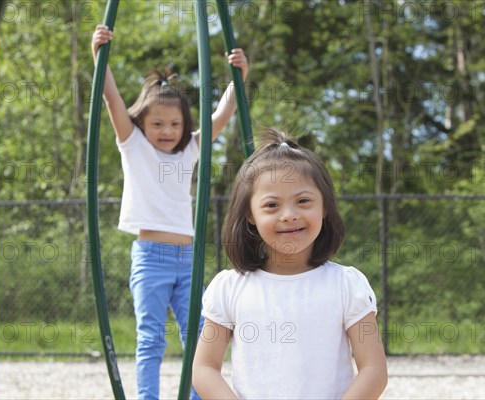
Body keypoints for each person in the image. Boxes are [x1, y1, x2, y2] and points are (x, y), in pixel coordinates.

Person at [91, 24, 249, 400]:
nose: (166, 130)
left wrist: (239, 76)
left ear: (185, 126)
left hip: (188, 257)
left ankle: (197, 395)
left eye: (175, 124)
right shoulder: (134, 146)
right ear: (141, 123)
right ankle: (147, 398)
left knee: (197, 335)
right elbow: (111, 99)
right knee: (150, 336)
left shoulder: (190, 149)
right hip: (150, 258)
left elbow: (225, 112)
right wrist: (100, 56)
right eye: (157, 123)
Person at [192, 129, 388, 399]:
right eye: (272, 205)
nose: (289, 215)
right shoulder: (229, 287)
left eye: (303, 201)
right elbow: (204, 368)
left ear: (325, 206)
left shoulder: (347, 285)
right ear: (250, 214)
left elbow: (373, 370)